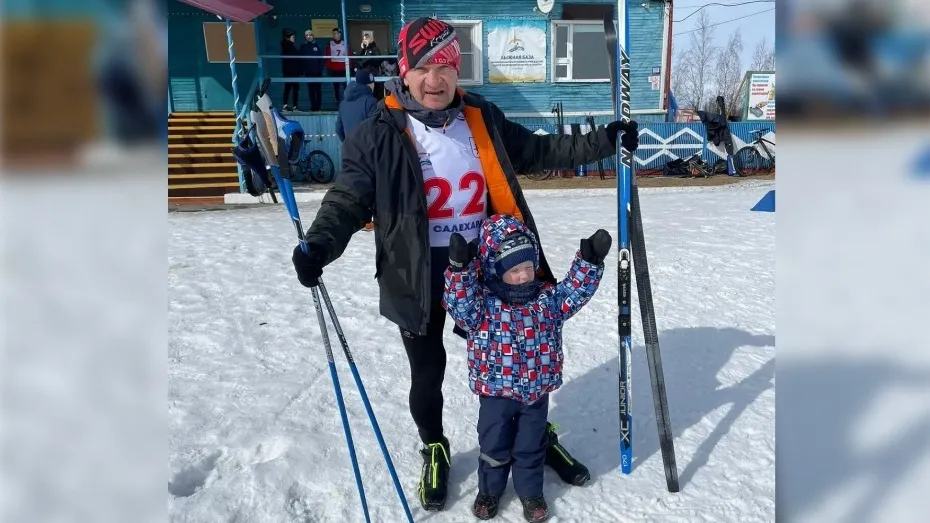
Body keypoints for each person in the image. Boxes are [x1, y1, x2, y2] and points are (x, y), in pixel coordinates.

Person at [290, 16, 639, 512]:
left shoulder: (480, 116)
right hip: (418, 273)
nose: (436, 81)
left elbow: (539, 150)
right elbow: (348, 198)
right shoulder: (378, 133)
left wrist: (605, 140)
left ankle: (536, 437)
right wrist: (320, 244)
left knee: (523, 357)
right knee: (427, 370)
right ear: (404, 72)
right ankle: (434, 444)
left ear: (459, 72)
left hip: (495, 270)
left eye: (447, 67)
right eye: (425, 68)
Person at [442, 215, 611, 522]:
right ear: (496, 269)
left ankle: (531, 494)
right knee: (494, 445)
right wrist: (459, 270)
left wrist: (590, 262)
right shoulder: (482, 305)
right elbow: (460, 303)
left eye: (527, 268)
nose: (522, 275)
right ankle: (489, 491)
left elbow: (573, 292)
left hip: (536, 393)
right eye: (514, 270)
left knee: (531, 447)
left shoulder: (547, 300)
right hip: (496, 393)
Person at [336, 69, 378, 142]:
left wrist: (347, 144)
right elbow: (375, 129)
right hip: (367, 150)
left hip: (348, 150)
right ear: (370, 84)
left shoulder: (343, 103)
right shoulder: (371, 101)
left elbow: (338, 129)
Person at [299, 29, 324, 112]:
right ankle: (313, 107)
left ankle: (319, 107)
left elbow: (322, 59)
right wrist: (302, 70)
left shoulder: (317, 45)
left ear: (313, 35)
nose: (308, 36)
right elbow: (300, 60)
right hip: (308, 72)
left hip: (317, 72)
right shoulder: (303, 47)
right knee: (311, 90)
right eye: (307, 35)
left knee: (318, 90)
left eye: (310, 35)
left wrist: (320, 68)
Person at [280, 28, 301, 111]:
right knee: (288, 88)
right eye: (292, 37)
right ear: (287, 38)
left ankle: (295, 106)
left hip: (295, 71)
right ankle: (285, 105)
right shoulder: (285, 45)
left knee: (295, 88)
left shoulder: (292, 47)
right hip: (289, 71)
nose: (294, 38)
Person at [326, 27, 348, 104]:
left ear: (340, 34)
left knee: (346, 86)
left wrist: (350, 67)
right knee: (336, 88)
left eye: (336, 33)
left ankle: (346, 102)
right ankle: (337, 102)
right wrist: (328, 68)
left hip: (343, 69)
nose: (334, 35)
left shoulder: (344, 44)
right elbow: (328, 56)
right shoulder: (330, 44)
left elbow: (349, 55)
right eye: (333, 34)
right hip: (334, 69)